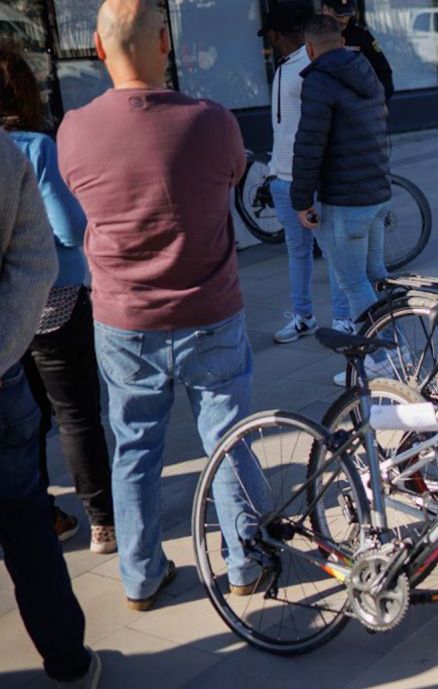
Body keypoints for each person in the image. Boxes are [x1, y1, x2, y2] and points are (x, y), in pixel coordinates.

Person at [57, 0, 262, 612]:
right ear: (165, 44)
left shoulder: (74, 130)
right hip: (211, 310)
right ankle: (246, 561)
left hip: (125, 321)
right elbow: (232, 178)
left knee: (135, 449)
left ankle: (141, 577)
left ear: (98, 48)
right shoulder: (214, 122)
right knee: (227, 440)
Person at [0, 44, 117, 555]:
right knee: (76, 415)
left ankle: (44, 516)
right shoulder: (33, 148)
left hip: (6, 317)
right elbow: (69, 227)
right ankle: (103, 522)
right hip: (54, 303)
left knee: (25, 422)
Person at [0, 130, 101, 689]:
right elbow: (43, 251)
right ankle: (68, 663)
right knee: (25, 524)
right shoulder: (17, 150)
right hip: (13, 360)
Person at [259, 4, 355, 342]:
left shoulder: (311, 64)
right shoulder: (285, 66)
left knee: (331, 252)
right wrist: (274, 171)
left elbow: (324, 124)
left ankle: (343, 319)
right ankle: (303, 316)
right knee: (296, 252)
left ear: (277, 34)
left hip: (309, 180)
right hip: (282, 178)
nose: (268, 43)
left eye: (269, 36)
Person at [292, 14, 391, 342]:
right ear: (342, 40)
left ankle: (382, 358)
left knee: (353, 282)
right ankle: (398, 346)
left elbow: (309, 145)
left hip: (346, 200)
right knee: (376, 275)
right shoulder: (366, 70)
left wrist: (301, 200)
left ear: (309, 48)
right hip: (377, 191)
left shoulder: (319, 81)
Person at [321, 0, 395, 102]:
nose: (344, 20)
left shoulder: (362, 36)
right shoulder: (315, 36)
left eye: (347, 13)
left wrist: (375, 103)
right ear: (325, 10)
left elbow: (384, 73)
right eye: (339, 14)